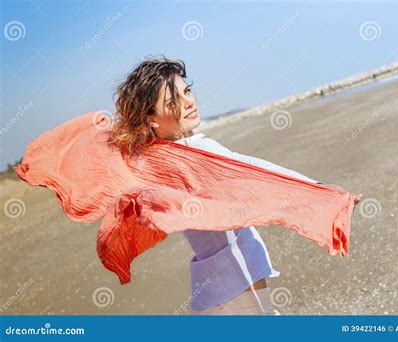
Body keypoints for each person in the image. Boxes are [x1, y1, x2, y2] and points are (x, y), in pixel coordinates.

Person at [109, 55, 363, 315]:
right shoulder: (195, 152)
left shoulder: (157, 159)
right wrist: (321, 192)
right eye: (174, 101)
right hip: (236, 276)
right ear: (152, 119)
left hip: (217, 282)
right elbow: (255, 169)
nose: (188, 102)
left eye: (187, 90)